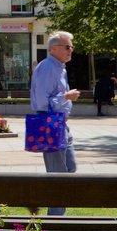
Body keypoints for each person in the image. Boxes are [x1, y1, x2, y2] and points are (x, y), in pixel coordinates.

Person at [30, 31, 81, 216]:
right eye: (67, 47)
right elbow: (42, 101)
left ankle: (57, 213)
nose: (71, 50)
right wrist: (66, 96)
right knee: (58, 173)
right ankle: (56, 218)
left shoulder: (59, 67)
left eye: (71, 47)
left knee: (69, 167)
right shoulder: (47, 68)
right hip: (49, 123)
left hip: (60, 124)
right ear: (53, 49)